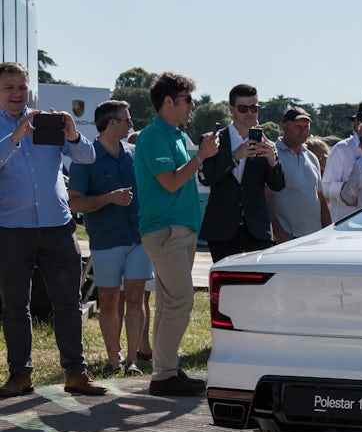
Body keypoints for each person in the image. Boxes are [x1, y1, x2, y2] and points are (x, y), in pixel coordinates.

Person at [0, 61, 106, 397]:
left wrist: (73, 133)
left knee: (68, 304)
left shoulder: (49, 122)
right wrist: (15, 138)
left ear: (29, 87)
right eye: (9, 88)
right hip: (11, 229)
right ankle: (21, 375)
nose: (17, 94)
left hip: (57, 227)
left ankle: (76, 374)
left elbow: (87, 157)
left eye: (21, 87)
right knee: (15, 306)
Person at [134, 72, 219, 396]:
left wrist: (199, 156)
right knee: (180, 301)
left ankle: (165, 371)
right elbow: (170, 182)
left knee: (171, 302)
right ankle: (164, 375)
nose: (192, 106)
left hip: (174, 230)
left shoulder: (175, 136)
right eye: (186, 100)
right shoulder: (155, 135)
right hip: (166, 230)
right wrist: (201, 156)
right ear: (167, 102)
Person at [67, 100, 154, 375]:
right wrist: (109, 199)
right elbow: (75, 203)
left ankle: (131, 361)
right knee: (108, 301)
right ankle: (112, 360)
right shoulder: (85, 158)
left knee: (136, 296)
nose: (132, 124)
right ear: (112, 123)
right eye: (127, 119)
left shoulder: (134, 153)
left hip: (139, 238)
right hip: (106, 241)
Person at [198, 84, 286, 262]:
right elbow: (206, 178)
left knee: (257, 287)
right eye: (243, 108)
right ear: (231, 109)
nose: (250, 113)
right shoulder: (213, 140)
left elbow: (278, 186)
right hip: (221, 228)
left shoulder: (266, 143)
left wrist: (272, 160)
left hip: (257, 229)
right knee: (226, 286)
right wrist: (234, 157)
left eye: (254, 108)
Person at [269, 107, 330, 241]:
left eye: (306, 126)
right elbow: (264, 199)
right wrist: (278, 232)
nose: (303, 130)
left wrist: (328, 231)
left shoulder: (312, 157)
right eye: (297, 126)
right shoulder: (272, 155)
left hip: (314, 237)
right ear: (284, 126)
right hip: (287, 238)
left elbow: (320, 198)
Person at [323, 102, 362, 221]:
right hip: (345, 222)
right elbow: (326, 187)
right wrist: (350, 188)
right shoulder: (342, 149)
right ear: (356, 123)